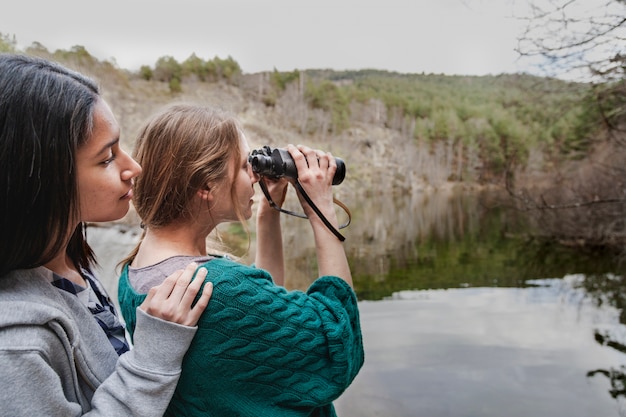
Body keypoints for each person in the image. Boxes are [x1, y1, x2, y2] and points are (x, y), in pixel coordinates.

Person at [117, 103, 364, 416]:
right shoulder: (220, 289)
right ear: (206, 185)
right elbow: (339, 344)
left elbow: (261, 308)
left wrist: (268, 212)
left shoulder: (137, 269)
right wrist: (322, 211)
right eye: (247, 165)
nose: (255, 176)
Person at [0, 54, 213, 416]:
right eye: (106, 159)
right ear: (38, 179)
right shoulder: (15, 346)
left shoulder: (61, 261)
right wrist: (152, 356)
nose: (134, 168)